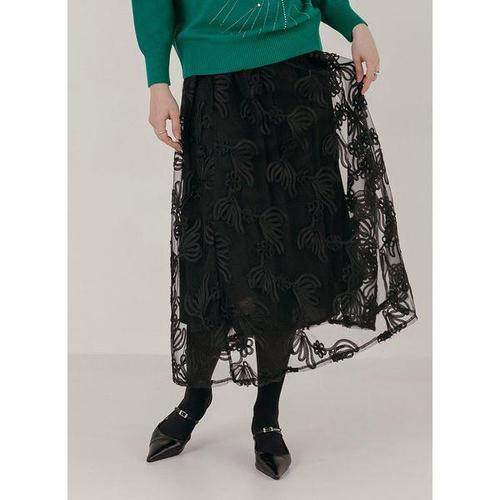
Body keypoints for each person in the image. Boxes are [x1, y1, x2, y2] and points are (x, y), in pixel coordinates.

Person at [132, 0, 417, 480]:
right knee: (215, 248)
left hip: (297, 74)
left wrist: (354, 23)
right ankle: (196, 395)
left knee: (289, 249)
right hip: (216, 80)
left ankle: (267, 411)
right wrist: (157, 80)